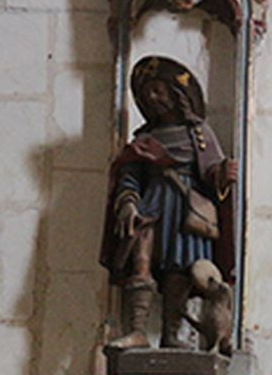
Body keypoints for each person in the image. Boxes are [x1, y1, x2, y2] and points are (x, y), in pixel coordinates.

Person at [99, 55, 237, 349]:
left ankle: (171, 335)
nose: (152, 97)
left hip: (185, 208)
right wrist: (128, 202)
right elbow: (130, 174)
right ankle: (136, 331)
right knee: (141, 264)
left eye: (158, 90)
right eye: (147, 92)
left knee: (179, 271)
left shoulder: (198, 134)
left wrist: (223, 175)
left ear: (177, 95)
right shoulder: (145, 137)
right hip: (151, 208)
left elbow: (211, 173)